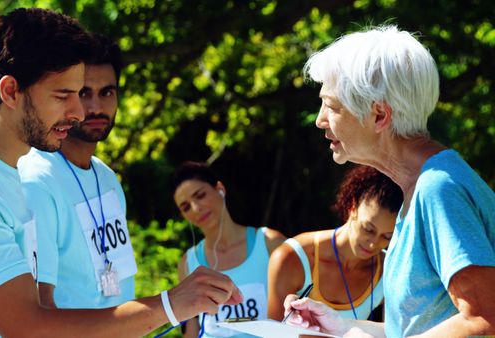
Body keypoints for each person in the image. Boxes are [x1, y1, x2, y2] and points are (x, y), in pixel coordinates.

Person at [0, 8, 241, 337]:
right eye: (63, 96)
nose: (78, 112)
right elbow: (31, 329)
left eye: (82, 93)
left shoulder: (5, 169)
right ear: (10, 91)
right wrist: (171, 304)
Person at [283, 25, 495, 337]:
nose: (320, 120)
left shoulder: (438, 189)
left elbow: (483, 318)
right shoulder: (425, 185)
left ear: (380, 116)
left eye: (332, 106)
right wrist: (340, 326)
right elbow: (417, 328)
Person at [18, 33, 135, 309]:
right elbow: (40, 307)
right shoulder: (36, 181)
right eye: (84, 93)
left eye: (107, 92)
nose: (95, 108)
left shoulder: (106, 177)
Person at [268, 165, 402, 322]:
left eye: (387, 237)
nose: (373, 244)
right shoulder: (291, 257)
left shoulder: (389, 269)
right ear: (353, 206)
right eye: (368, 229)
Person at [170, 161, 287, 338]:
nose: (196, 208)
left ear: (220, 189)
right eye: (186, 207)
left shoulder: (271, 244)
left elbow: (300, 314)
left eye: (200, 195)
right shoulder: (188, 263)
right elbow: (191, 329)